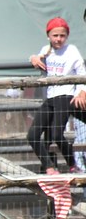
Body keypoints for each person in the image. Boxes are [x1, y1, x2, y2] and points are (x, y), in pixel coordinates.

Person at [26, 17, 86, 174]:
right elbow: (37, 57)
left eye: (62, 35)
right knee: (32, 135)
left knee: (57, 134)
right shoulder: (46, 50)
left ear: (66, 36)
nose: (59, 39)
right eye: (55, 35)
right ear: (48, 36)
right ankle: (49, 166)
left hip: (65, 96)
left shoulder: (71, 50)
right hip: (51, 98)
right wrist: (32, 58)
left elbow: (81, 71)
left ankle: (73, 164)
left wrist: (82, 92)